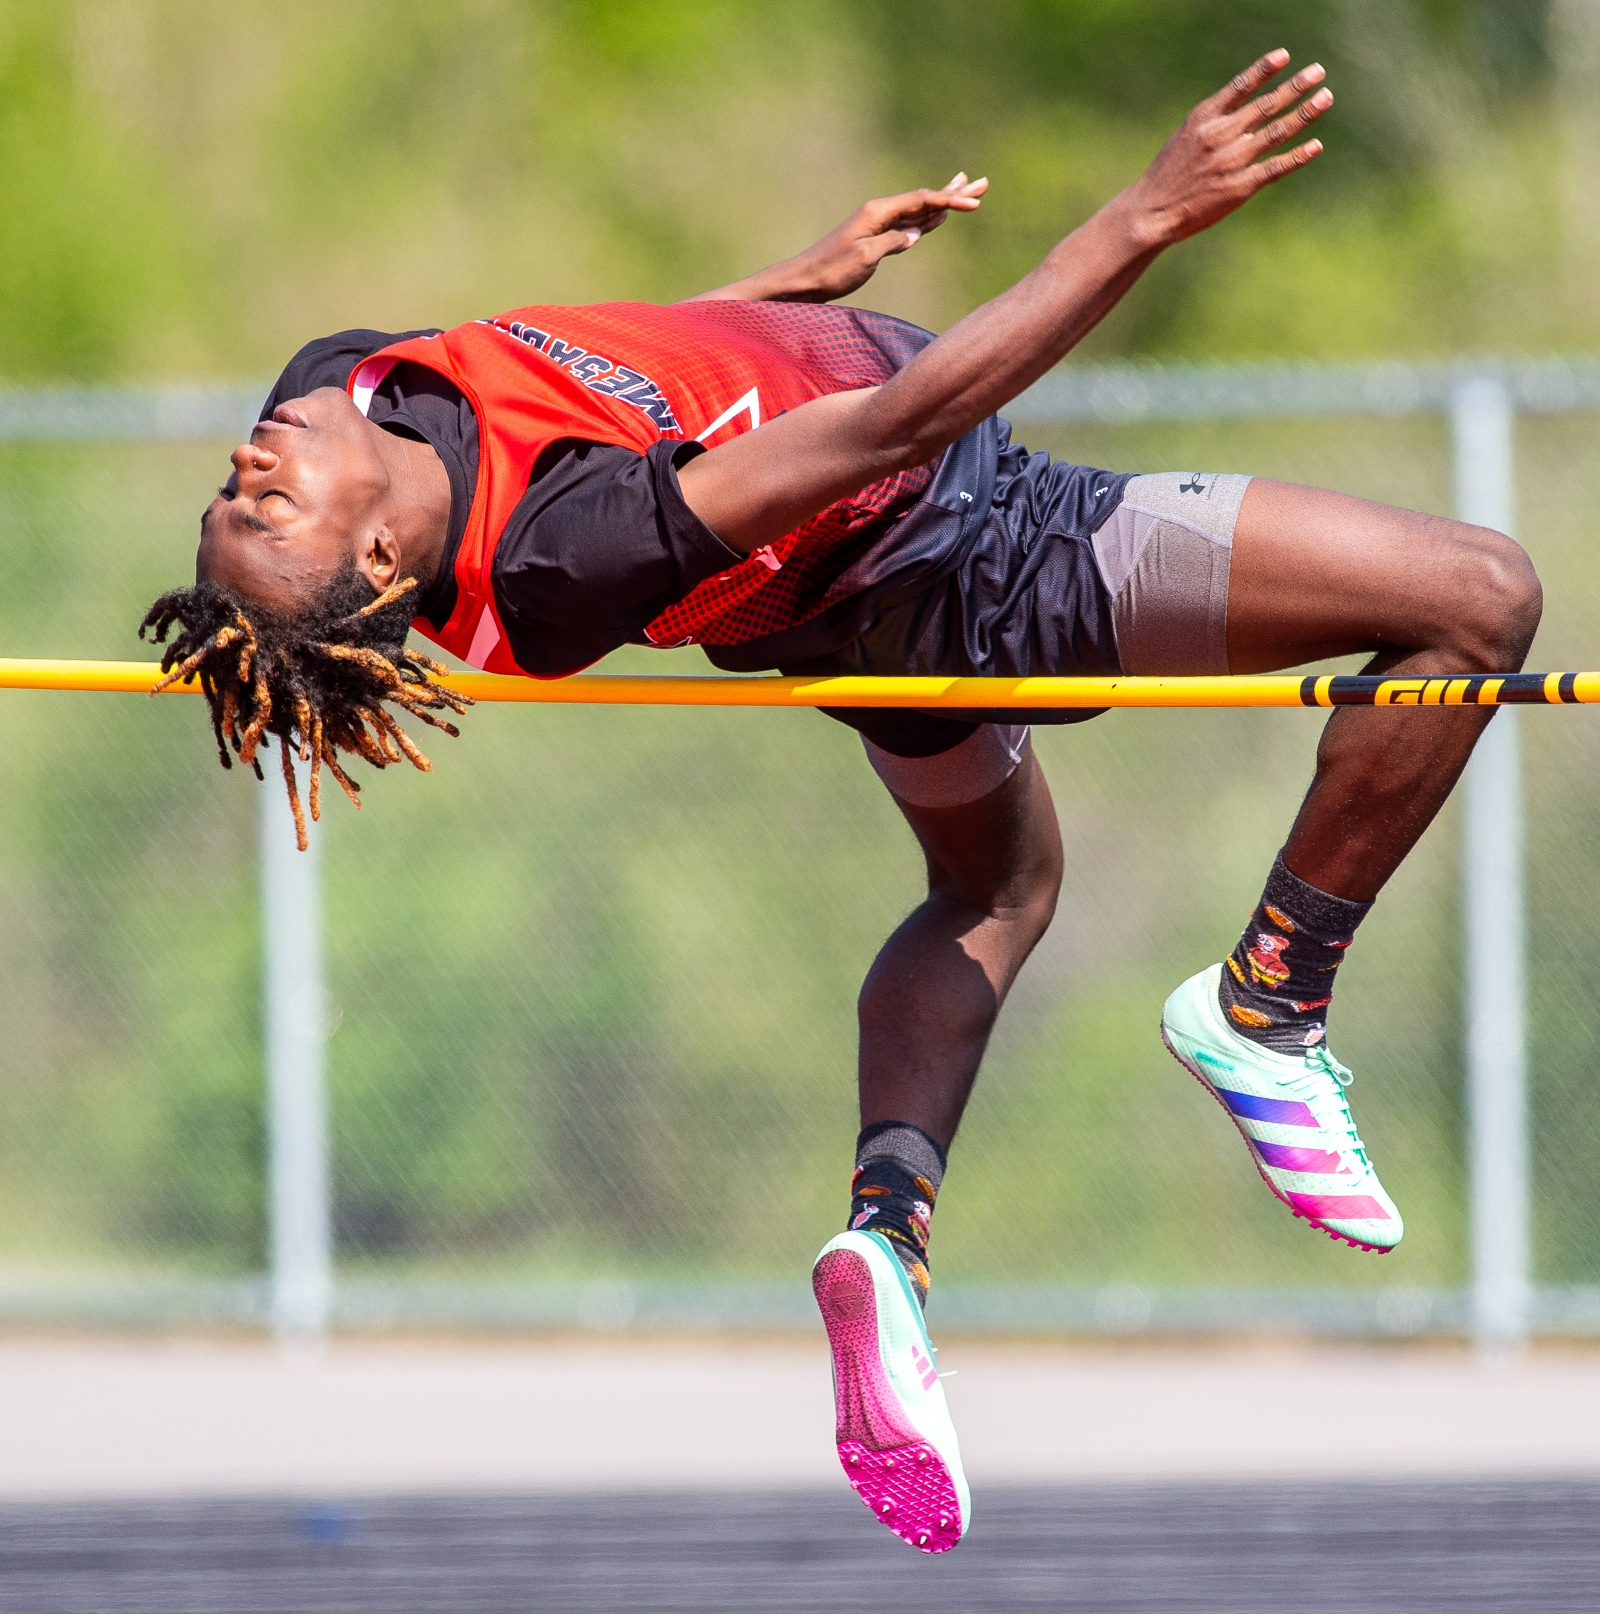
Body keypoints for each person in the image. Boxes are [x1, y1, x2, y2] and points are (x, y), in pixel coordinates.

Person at [140, 50, 1540, 1553]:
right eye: (266, 505)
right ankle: (1269, 1001)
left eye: (231, 489)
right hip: (978, 554)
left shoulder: (338, 385)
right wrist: (1145, 214)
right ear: (373, 566)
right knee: (1475, 600)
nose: (249, 461)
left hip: (873, 592)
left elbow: (582, 374)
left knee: (996, 890)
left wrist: (780, 293)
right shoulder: (556, 560)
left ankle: (889, 1238)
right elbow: (893, 429)